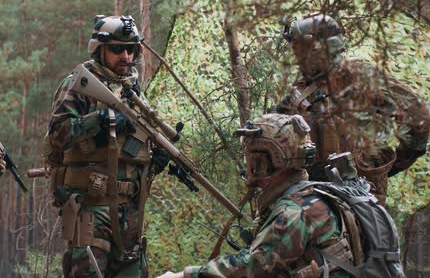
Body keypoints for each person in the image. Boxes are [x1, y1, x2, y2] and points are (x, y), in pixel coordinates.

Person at [158, 113, 404, 278]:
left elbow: (253, 267)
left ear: (265, 162)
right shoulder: (313, 194)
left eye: (252, 157)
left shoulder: (294, 211)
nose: (248, 165)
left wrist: (184, 275)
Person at [46, 15, 170, 277]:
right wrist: (101, 120)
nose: (125, 55)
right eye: (117, 48)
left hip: (131, 211)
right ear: (99, 49)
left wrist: (153, 161)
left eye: (131, 49)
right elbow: (57, 134)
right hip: (91, 208)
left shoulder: (134, 90)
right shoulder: (80, 85)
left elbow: (132, 148)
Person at [274, 14, 429, 205]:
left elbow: (419, 115)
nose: (296, 57)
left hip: (358, 195)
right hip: (308, 194)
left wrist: (393, 164)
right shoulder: (302, 88)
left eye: (299, 50)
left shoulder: (362, 76)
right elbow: (273, 130)